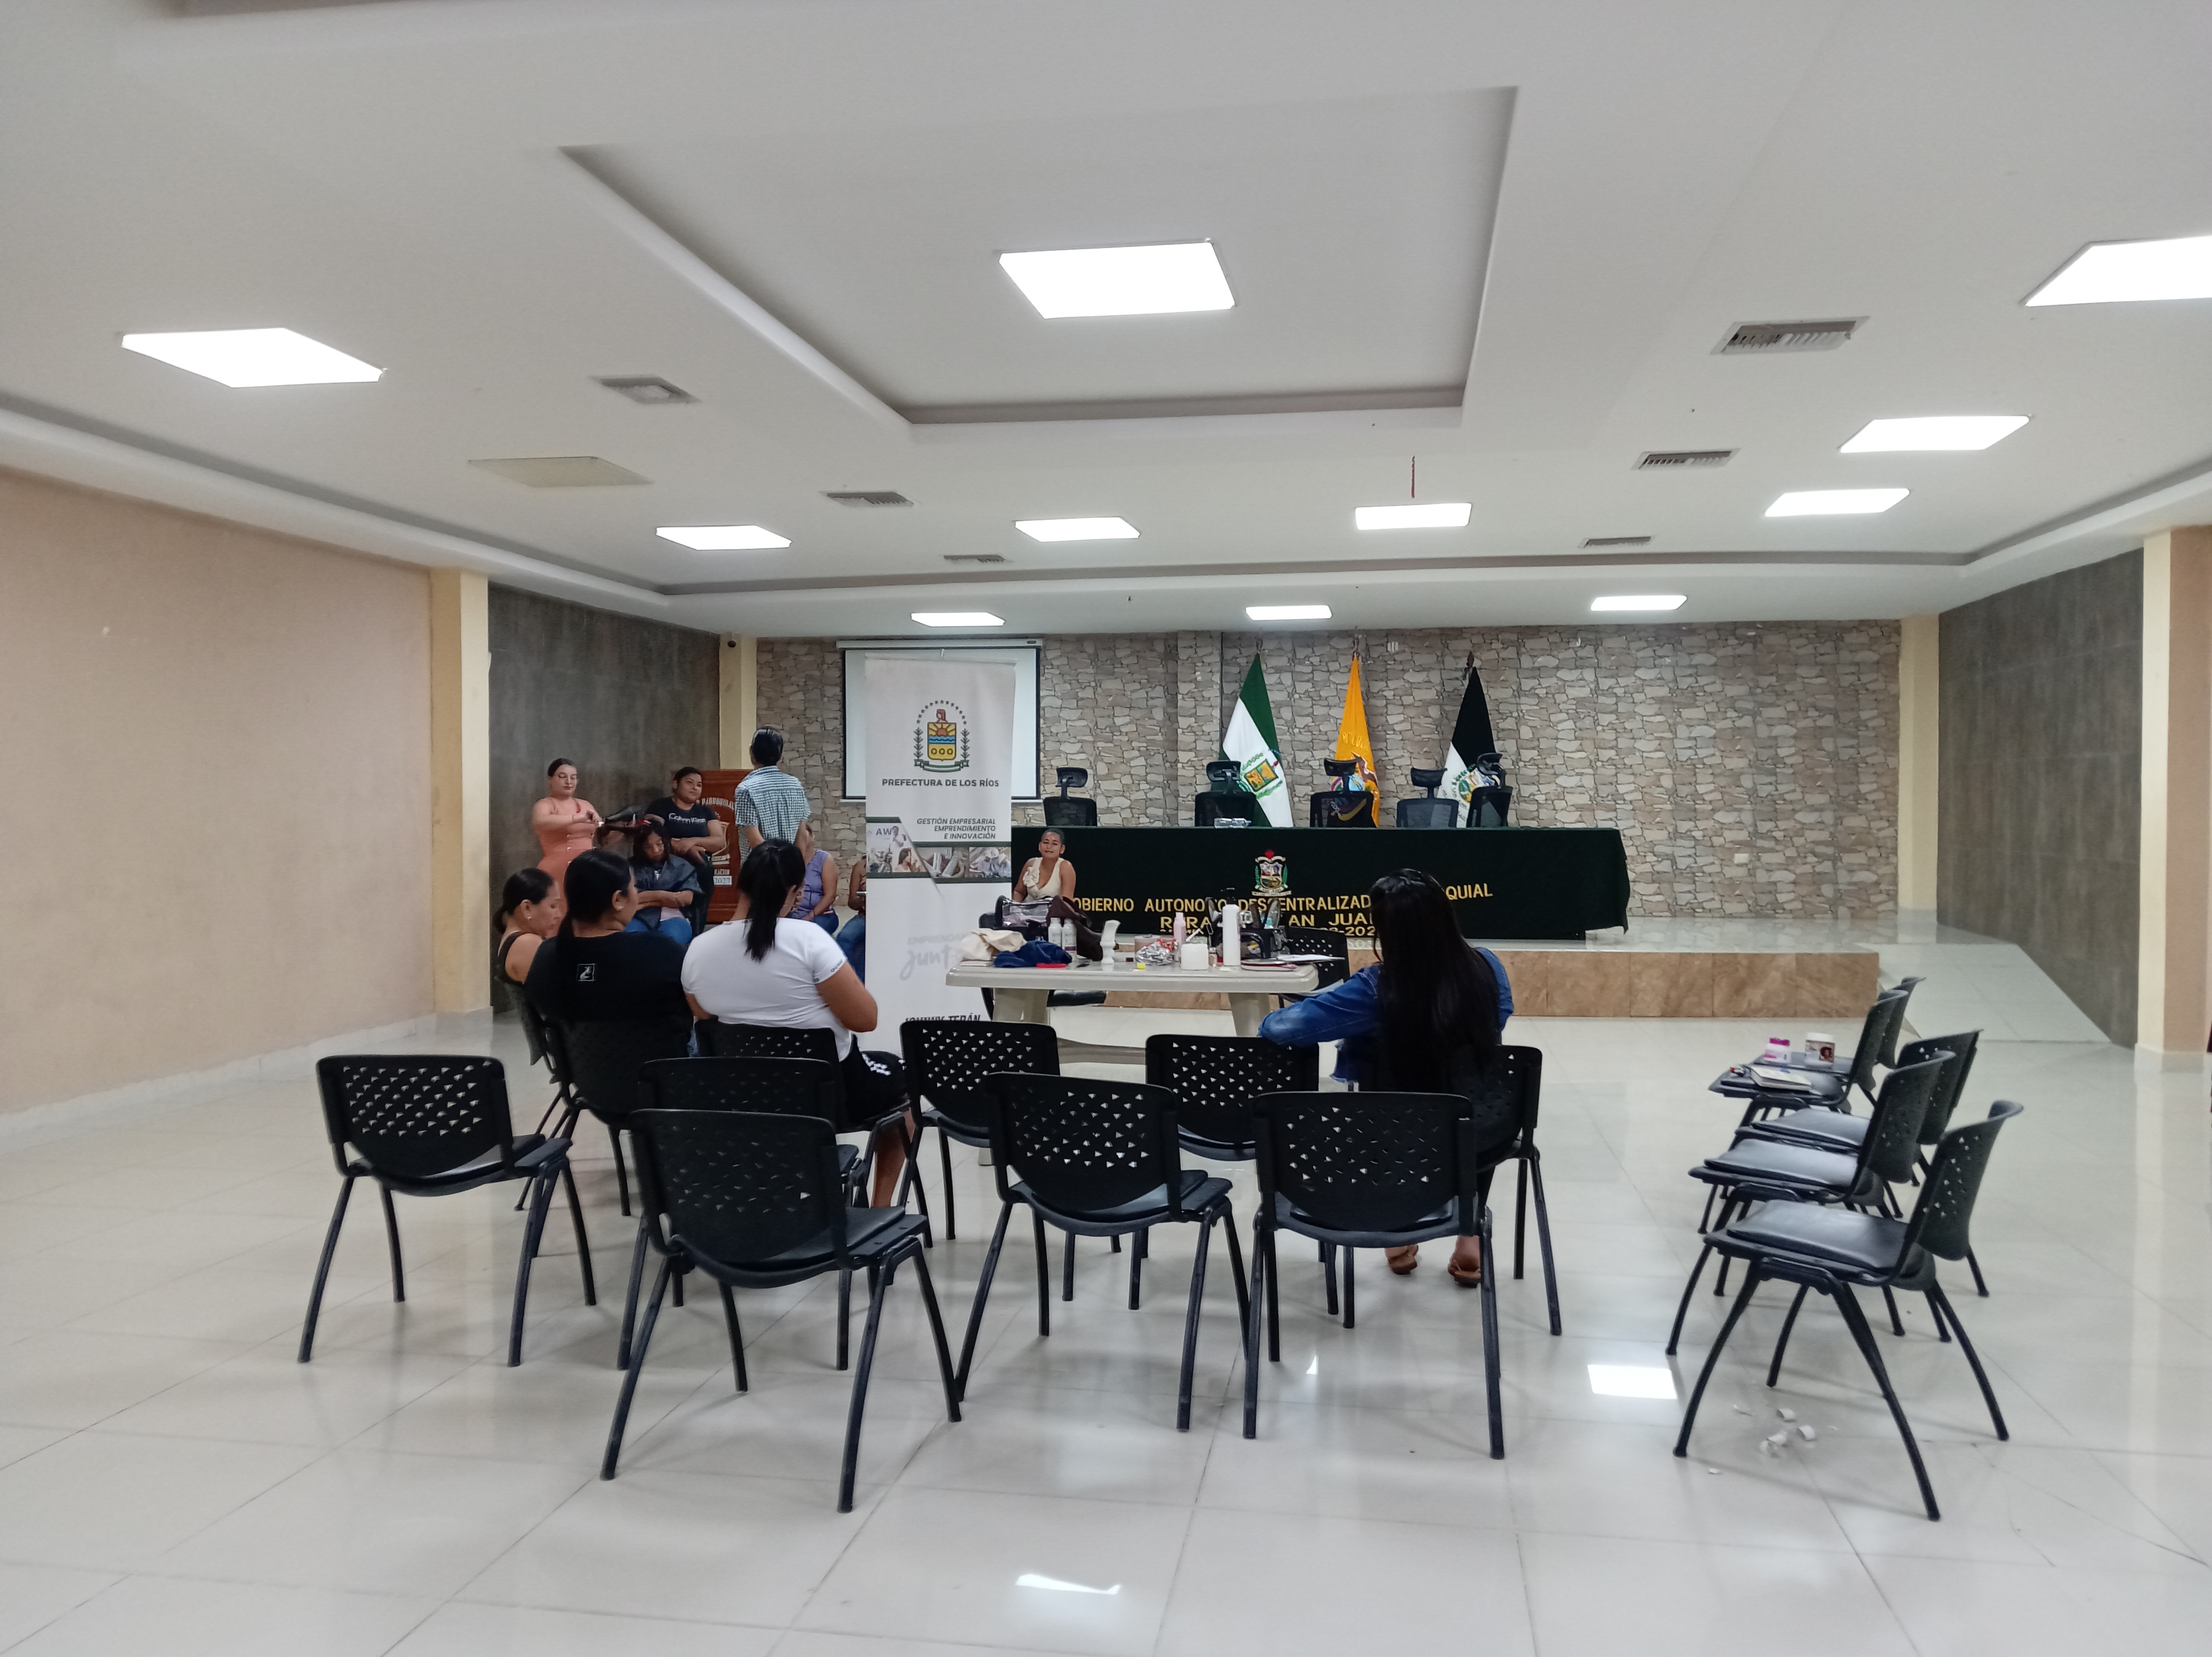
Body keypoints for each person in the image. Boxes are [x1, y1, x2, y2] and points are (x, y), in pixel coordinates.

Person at [1258, 868, 1514, 1285]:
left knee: (1386, 1109)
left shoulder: (1376, 988)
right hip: (1484, 1130)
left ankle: (1396, 1232)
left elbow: (1281, 1029)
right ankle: (1470, 1237)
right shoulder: (1488, 965)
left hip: (1398, 1132)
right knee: (1468, 1108)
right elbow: (1498, 1018)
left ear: (1385, 930)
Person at [683, 838, 910, 1208]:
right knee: (905, 1082)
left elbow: (704, 1018)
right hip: (829, 1097)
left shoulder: (699, 949)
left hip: (743, 1097)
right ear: (797, 891)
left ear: (742, 884)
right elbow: (865, 1019)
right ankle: (880, 1209)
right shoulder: (808, 939)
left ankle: (773, 1197)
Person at [524, 847, 689, 1025]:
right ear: (618, 900)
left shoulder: (546, 956)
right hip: (656, 1044)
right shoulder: (660, 951)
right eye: (634, 887)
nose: (637, 894)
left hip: (575, 1045)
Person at [645, 765, 725, 933]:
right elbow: (652, 834)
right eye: (690, 782)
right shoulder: (661, 806)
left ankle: (697, 935)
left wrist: (692, 842)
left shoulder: (705, 811)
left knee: (700, 906)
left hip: (701, 869)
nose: (695, 788)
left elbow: (719, 841)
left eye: (699, 785)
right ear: (676, 784)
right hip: (668, 866)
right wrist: (685, 848)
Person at [732, 727, 809, 862]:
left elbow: (755, 840)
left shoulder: (746, 789)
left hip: (761, 868)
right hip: (790, 866)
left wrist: (775, 867)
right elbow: (802, 835)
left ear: (751, 751)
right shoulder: (796, 786)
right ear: (780, 754)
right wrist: (796, 868)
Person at [493, 867, 563, 1000]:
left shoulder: (513, 940)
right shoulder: (527, 943)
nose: (558, 915)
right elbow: (554, 1001)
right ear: (527, 908)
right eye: (553, 906)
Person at [626, 826, 700, 947]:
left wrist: (645, 900)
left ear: (665, 842)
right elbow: (627, 899)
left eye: (659, 844)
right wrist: (662, 896)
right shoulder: (629, 867)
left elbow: (686, 898)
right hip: (637, 916)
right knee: (630, 942)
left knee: (673, 943)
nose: (656, 850)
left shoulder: (681, 865)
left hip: (672, 916)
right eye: (648, 847)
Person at [532, 758, 601, 883]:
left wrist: (619, 827)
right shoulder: (545, 804)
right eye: (562, 777)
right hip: (559, 866)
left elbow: (602, 838)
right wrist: (579, 818)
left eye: (573, 778)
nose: (569, 782)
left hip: (588, 866)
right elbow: (541, 822)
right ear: (550, 780)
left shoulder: (586, 805)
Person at [794, 820, 839, 934]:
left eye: (803, 833)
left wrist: (808, 918)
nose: (800, 837)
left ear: (812, 836)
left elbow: (830, 896)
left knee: (806, 933)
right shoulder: (787, 860)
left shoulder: (824, 859)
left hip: (819, 915)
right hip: (792, 916)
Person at [1013, 828, 1077, 903]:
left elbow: (1067, 903)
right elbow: (1019, 892)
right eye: (1046, 843)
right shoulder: (1031, 864)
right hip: (1027, 909)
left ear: (1062, 849)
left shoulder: (1066, 867)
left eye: (1055, 844)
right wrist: (1015, 907)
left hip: (1054, 910)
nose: (1049, 847)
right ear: (1040, 846)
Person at [835, 860, 866, 980]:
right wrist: (863, 897)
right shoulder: (862, 865)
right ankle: (847, 981)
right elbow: (852, 903)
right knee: (845, 937)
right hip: (866, 915)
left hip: (892, 917)